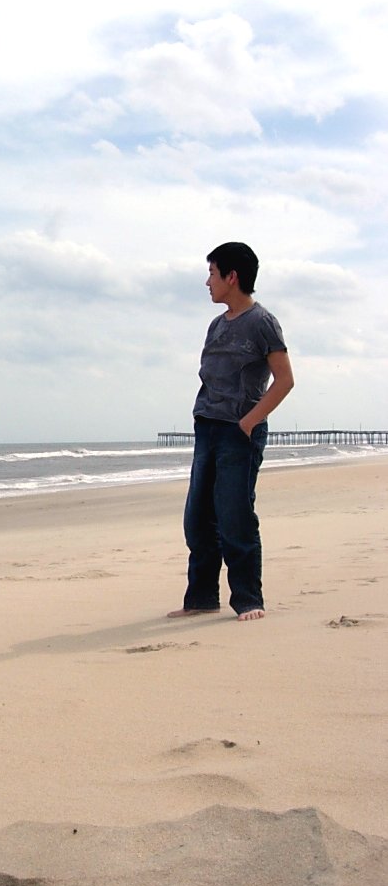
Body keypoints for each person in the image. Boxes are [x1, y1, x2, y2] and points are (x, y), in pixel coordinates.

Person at [168, 242, 294, 622]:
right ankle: (202, 598)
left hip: (238, 432)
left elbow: (284, 380)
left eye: (212, 273)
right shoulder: (217, 324)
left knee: (234, 515)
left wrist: (249, 421)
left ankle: (248, 600)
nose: (208, 282)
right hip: (206, 428)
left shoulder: (262, 322)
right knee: (198, 517)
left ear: (231, 277)